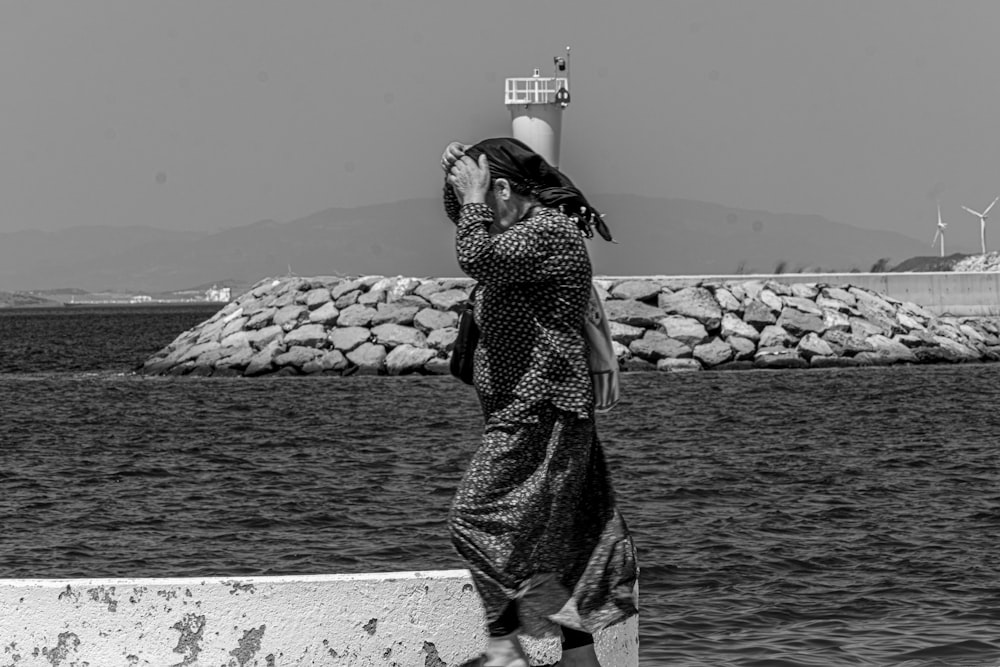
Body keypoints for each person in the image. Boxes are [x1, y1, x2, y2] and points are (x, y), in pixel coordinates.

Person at [441, 138, 638, 667]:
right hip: (530, 410)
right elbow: (469, 228)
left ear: (502, 188)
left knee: (473, 517)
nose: (469, 212)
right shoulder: (524, 236)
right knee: (559, 546)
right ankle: (575, 656)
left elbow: (474, 253)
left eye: (479, 197)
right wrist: (457, 175)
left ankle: (505, 649)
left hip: (542, 410)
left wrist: (475, 195)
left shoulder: (546, 233)